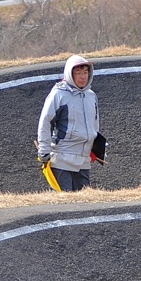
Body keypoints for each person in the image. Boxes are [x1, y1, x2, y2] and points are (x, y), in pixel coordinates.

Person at [36, 54, 101, 192]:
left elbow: (95, 124)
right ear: (70, 74)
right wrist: (44, 151)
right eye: (78, 73)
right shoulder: (58, 94)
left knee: (83, 205)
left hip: (83, 161)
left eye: (85, 72)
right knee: (65, 205)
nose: (83, 77)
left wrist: (96, 148)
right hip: (62, 160)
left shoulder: (91, 96)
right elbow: (45, 122)